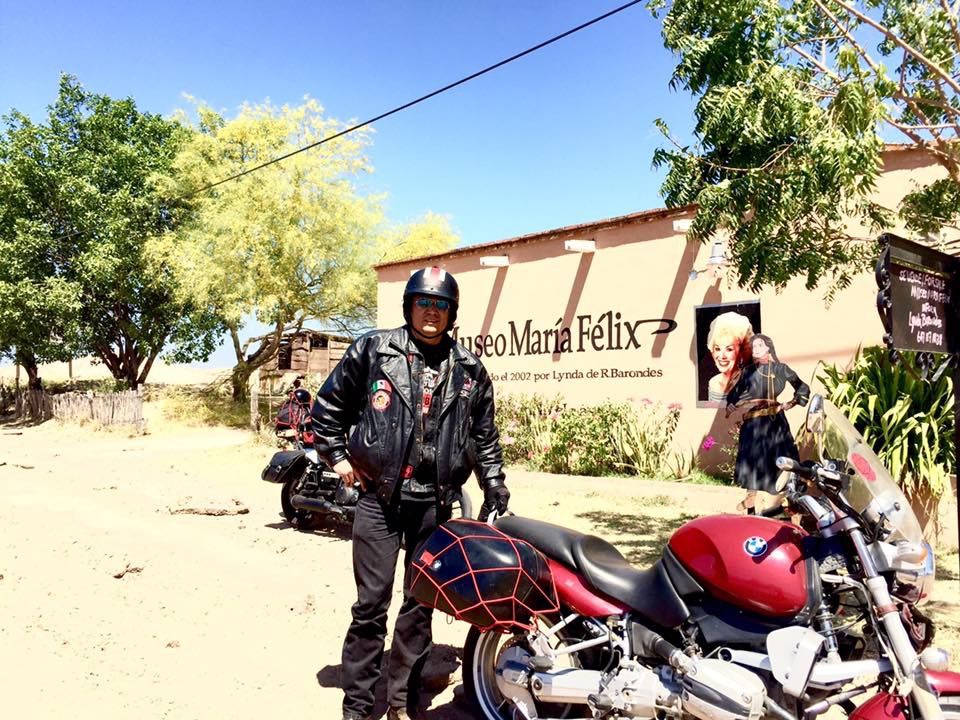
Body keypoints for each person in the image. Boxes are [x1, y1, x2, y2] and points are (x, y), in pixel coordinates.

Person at [311, 266, 510, 720]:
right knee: (371, 605)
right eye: (424, 303)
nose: (431, 312)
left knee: (420, 604)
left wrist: (494, 481)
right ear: (408, 307)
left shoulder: (470, 370)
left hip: (434, 505)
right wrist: (338, 457)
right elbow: (327, 409)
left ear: (452, 314)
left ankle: (403, 702)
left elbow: (484, 436)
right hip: (379, 500)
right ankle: (358, 706)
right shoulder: (373, 351)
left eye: (441, 305)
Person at [725, 333, 809, 514]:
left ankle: (786, 505)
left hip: (776, 424)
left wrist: (792, 403)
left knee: (782, 460)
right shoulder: (747, 372)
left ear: (768, 348)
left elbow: (802, 387)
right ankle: (752, 506)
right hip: (753, 426)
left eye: (760, 346)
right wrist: (733, 403)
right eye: (753, 347)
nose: (756, 350)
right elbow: (733, 394)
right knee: (754, 463)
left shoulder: (781, 369)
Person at [705, 311, 753, 402]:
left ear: (742, 351)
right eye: (717, 349)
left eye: (729, 349)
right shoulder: (713, 383)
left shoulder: (750, 384)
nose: (722, 356)